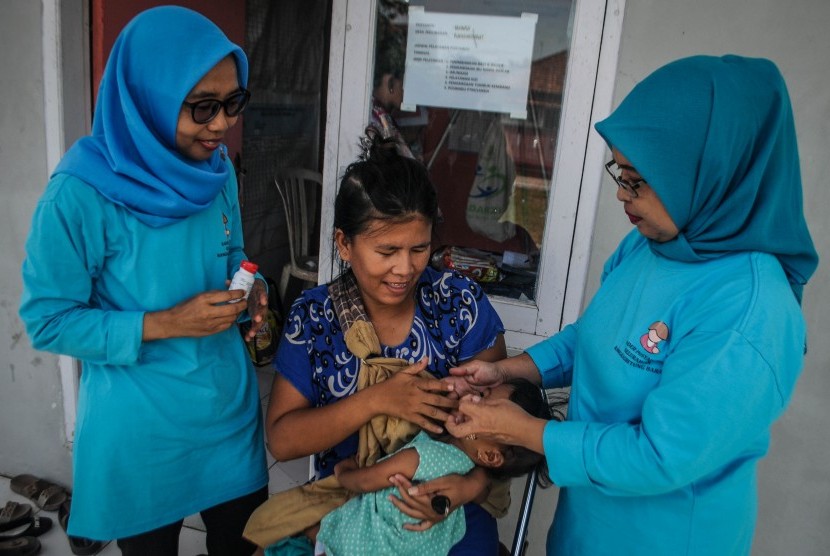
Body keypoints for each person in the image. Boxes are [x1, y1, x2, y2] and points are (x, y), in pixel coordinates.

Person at [422, 55, 819, 555]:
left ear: (709, 174)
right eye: (619, 172)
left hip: (664, 538)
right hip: (588, 524)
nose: (620, 195)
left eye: (637, 180)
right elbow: (595, 337)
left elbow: (659, 456)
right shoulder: (651, 245)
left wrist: (526, 431)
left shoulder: (748, 309)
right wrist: (511, 372)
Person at [19, 7, 269, 555]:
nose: (222, 124)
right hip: (140, 430)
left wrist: (251, 288)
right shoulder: (81, 194)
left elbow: (232, 251)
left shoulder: (216, 169)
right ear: (147, 97)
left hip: (225, 411)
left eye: (233, 102)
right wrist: (165, 323)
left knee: (245, 544)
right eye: (203, 107)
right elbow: (48, 320)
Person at [265, 133, 508, 554]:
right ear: (344, 244)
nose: (405, 268)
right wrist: (378, 400)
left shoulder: (458, 304)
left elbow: (503, 432)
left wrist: (465, 489)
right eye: (387, 250)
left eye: (419, 248)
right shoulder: (314, 317)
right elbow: (283, 440)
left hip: (448, 501)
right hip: (351, 499)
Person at [314, 379, 550, 556]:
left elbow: (365, 482)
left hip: (360, 544)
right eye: (480, 393)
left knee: (311, 526)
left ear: (489, 455)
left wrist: (343, 472)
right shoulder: (468, 477)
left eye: (483, 405)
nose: (470, 398)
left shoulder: (425, 457)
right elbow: (483, 491)